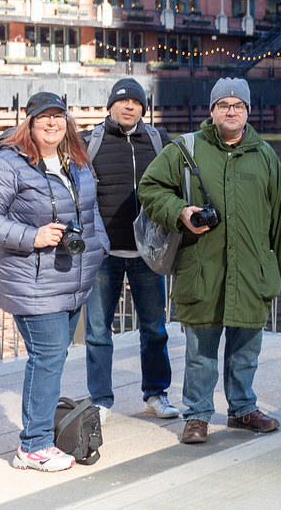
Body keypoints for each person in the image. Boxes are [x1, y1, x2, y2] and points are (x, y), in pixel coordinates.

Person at [138, 78, 281, 445]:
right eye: (224, 105)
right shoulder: (184, 149)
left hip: (251, 271)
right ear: (211, 111)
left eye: (238, 106)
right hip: (203, 269)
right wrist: (179, 211)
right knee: (200, 352)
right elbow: (149, 189)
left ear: (247, 112)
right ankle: (197, 415)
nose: (232, 111)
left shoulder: (265, 155)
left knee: (246, 350)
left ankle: (243, 408)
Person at [0, 92, 108, 472]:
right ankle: (32, 446)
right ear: (28, 123)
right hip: (33, 281)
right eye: (43, 117)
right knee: (47, 357)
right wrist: (32, 236)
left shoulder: (75, 161)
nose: (52, 124)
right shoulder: (7, 164)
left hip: (73, 279)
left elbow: (91, 208)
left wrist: (100, 246)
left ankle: (40, 432)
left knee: (54, 356)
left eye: (58, 117)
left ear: (67, 123)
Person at [82, 78, 179, 423]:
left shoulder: (158, 140)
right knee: (97, 331)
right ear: (110, 106)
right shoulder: (89, 142)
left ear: (143, 109)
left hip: (148, 254)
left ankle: (155, 394)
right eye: (123, 102)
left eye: (136, 103)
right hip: (104, 255)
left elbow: (178, 181)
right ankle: (101, 400)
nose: (129, 107)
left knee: (154, 328)